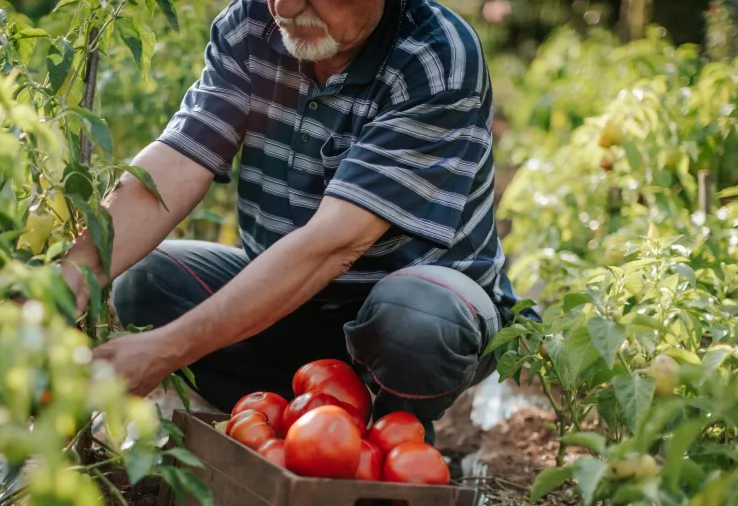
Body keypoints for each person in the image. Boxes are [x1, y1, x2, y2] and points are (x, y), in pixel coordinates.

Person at [62, 0, 538, 442]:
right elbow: (179, 162)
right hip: (289, 305)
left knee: (419, 323)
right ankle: (296, 421)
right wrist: (63, 284)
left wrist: (167, 350)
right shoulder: (254, 22)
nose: (285, 9)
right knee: (148, 282)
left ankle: (390, 436)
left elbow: (334, 244)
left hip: (400, 316)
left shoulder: (435, 55)